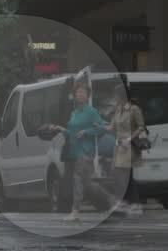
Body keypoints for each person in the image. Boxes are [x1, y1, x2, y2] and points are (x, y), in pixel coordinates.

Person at [53, 82, 112, 222]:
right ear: (74, 95)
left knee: (78, 181)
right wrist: (61, 129)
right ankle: (110, 204)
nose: (80, 95)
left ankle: (75, 212)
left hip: (85, 152)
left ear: (88, 96)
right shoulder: (74, 112)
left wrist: (87, 132)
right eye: (78, 92)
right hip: (73, 151)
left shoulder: (91, 112)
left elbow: (103, 128)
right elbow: (72, 133)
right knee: (88, 183)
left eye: (83, 92)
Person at [109, 81, 149, 215]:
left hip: (129, 147)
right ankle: (131, 204)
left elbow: (141, 126)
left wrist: (130, 138)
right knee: (122, 176)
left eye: (116, 95)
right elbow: (112, 127)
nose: (115, 98)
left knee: (123, 175)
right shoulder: (118, 110)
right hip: (119, 147)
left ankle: (129, 204)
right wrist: (97, 126)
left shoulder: (134, 109)